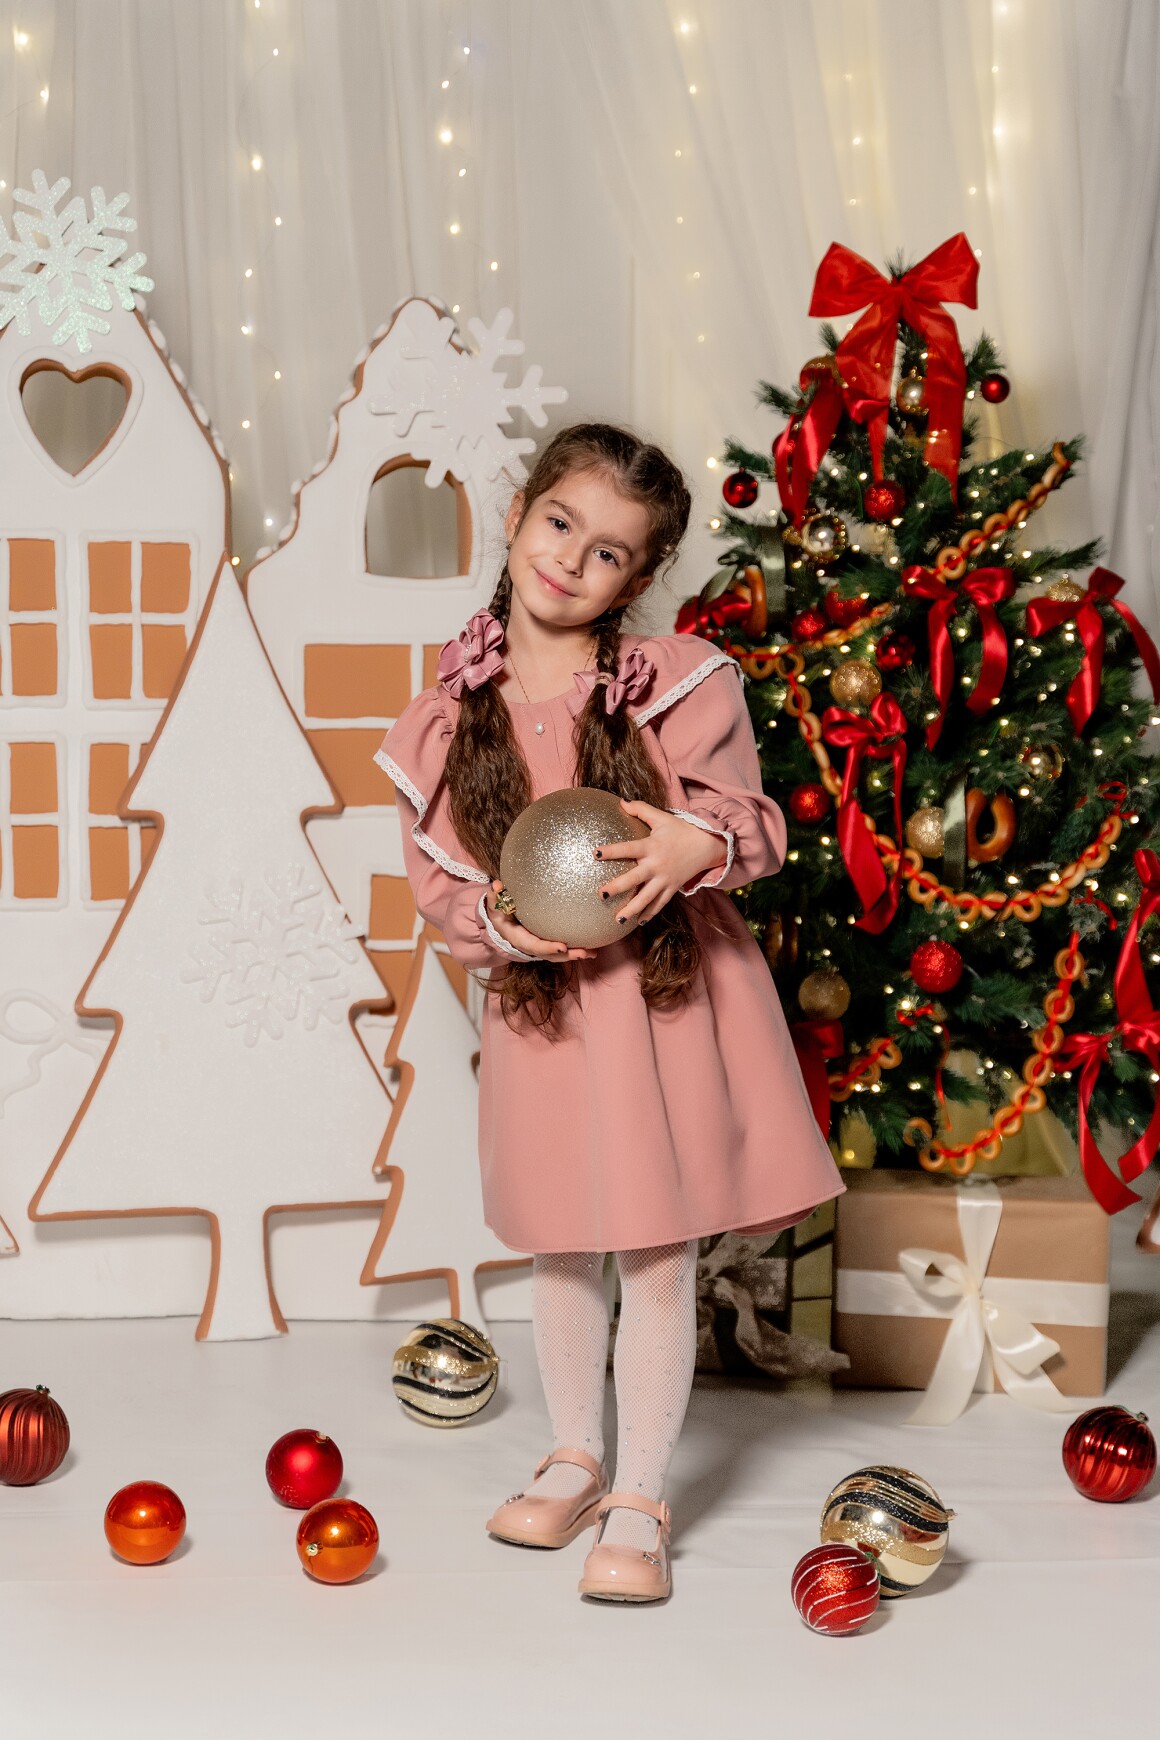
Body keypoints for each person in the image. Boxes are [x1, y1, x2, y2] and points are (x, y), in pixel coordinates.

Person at [374, 423, 844, 1603]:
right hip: (546, 1012)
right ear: (518, 513)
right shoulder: (447, 716)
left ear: (637, 577)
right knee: (561, 1238)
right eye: (558, 523)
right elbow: (441, 889)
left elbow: (756, 827)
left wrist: (695, 841)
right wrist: (502, 922)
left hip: (664, 1006)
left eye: (607, 553)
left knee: (653, 1245)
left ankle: (638, 1494)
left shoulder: (673, 683)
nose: (570, 561)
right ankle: (574, 1454)